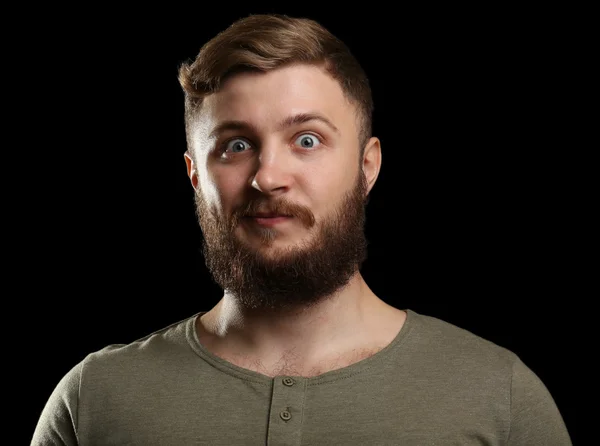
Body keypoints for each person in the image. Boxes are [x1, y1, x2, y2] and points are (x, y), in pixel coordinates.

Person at [32, 13, 572, 445]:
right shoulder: (94, 399)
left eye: (307, 140)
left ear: (368, 166)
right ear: (195, 175)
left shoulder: (498, 396)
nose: (268, 177)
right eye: (235, 145)